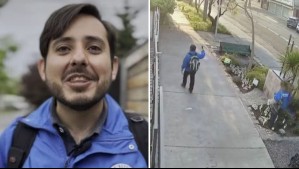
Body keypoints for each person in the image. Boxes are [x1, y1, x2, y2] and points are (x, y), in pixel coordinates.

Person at [0, 3, 147, 168]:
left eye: (93, 48)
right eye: (63, 48)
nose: (79, 58)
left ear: (113, 67)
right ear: (43, 68)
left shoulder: (146, 140)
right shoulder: (13, 140)